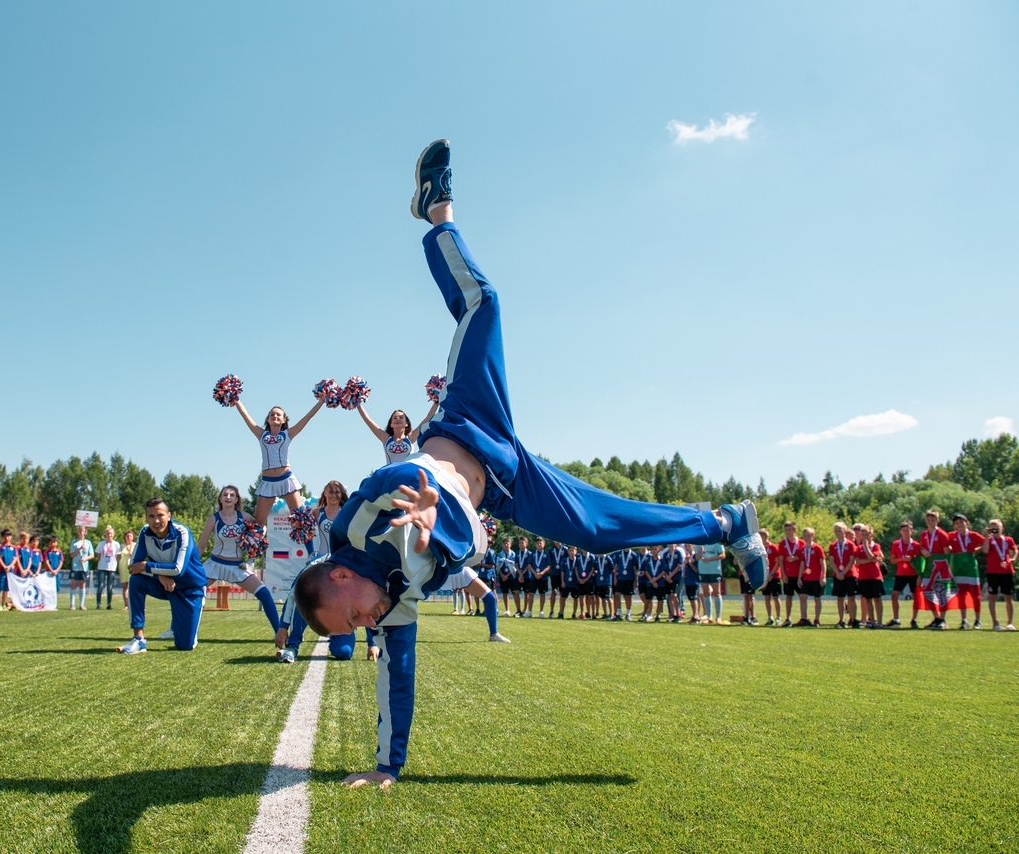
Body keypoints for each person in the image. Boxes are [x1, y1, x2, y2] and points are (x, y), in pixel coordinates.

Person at [292, 141, 764, 787]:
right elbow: (397, 674)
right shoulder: (392, 601)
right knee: (596, 533)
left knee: (485, 303)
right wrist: (386, 767)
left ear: (342, 578)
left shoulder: (353, 526)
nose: (366, 628)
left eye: (354, 619)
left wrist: (427, 495)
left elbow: (399, 480)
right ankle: (727, 521)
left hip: (466, 425)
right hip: (508, 487)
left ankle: (438, 211)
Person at [278, 481, 379, 663]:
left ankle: (340, 636)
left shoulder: (348, 513)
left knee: (344, 653)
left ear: (342, 495)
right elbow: (303, 527)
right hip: (322, 562)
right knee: (303, 591)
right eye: (330, 491)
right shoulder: (317, 513)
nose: (333, 494)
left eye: (337, 491)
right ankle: (293, 645)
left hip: (343, 562)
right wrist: (282, 627)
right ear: (324, 493)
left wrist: (372, 643)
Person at [119, 499, 207, 653]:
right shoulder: (144, 532)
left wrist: (148, 567)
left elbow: (177, 569)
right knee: (136, 581)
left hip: (189, 589)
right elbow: (134, 567)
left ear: (169, 515)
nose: (156, 520)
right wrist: (158, 576)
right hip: (163, 585)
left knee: (185, 646)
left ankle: (180, 626)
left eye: (160, 515)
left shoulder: (182, 532)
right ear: (146, 518)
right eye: (151, 516)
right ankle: (138, 639)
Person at [199, 485, 282, 640]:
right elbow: (202, 545)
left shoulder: (245, 517)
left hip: (237, 566)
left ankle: (279, 632)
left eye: (232, 495)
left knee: (264, 594)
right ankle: (175, 629)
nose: (228, 497)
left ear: (237, 499)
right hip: (214, 564)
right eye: (225, 494)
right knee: (191, 592)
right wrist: (193, 567)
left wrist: (257, 538)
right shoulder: (213, 519)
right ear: (220, 499)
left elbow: (260, 529)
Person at [232, 397, 325, 527]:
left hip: (286, 479)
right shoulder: (261, 434)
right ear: (268, 419)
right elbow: (245, 414)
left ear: (284, 420)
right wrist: (236, 399)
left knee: (300, 519)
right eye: (272, 414)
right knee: (258, 523)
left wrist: (321, 401)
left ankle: (311, 548)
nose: (274, 416)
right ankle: (258, 547)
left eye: (278, 414)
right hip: (268, 482)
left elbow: (307, 417)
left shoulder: (288, 434)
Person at [356, 401, 439, 465]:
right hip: (390, 474)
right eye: (395, 418)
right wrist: (358, 403)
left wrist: (436, 403)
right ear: (391, 424)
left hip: (407, 473)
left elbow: (428, 418)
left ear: (406, 423)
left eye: (401, 417)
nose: (397, 419)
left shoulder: (411, 438)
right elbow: (367, 419)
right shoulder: (386, 438)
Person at [947, 514, 984, 630]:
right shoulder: (951, 536)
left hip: (971, 568)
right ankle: (964, 620)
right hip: (958, 568)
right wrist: (951, 550)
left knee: (975, 595)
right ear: (954, 526)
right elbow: (944, 544)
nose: (959, 525)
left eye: (961, 522)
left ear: (967, 523)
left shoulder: (974, 535)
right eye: (957, 523)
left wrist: (976, 550)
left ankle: (978, 620)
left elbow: (986, 543)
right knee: (961, 595)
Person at [980, 519, 1015, 630]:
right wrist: (986, 536)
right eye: (992, 528)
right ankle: (995, 623)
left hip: (1007, 571)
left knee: (1008, 597)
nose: (994, 530)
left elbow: (1015, 550)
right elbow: (985, 550)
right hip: (993, 572)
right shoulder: (989, 540)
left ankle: (1009, 623)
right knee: (992, 597)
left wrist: (1012, 559)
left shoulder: (1008, 540)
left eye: (997, 528)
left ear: (1002, 528)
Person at [919, 510, 952, 628]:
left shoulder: (942, 534)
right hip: (929, 567)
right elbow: (921, 546)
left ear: (937, 521)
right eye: (928, 519)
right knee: (927, 592)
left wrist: (947, 569)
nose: (930, 522)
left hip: (941, 567)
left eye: (933, 519)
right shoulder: (923, 534)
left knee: (941, 593)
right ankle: (937, 617)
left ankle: (942, 620)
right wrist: (923, 551)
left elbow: (947, 552)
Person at [850, 524, 886, 628]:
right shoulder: (858, 548)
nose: (865, 536)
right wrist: (871, 560)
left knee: (877, 599)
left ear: (872, 535)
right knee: (868, 599)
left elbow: (873, 556)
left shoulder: (876, 546)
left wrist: (866, 548)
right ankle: (872, 622)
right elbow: (857, 562)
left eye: (867, 534)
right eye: (863, 534)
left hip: (875, 576)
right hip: (864, 577)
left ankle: (879, 621)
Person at [887, 521, 921, 628]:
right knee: (894, 595)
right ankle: (896, 619)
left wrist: (919, 574)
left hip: (913, 574)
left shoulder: (916, 545)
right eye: (904, 530)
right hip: (901, 573)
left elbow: (920, 562)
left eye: (908, 530)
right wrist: (903, 559)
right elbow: (892, 560)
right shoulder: (896, 544)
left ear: (912, 531)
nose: (906, 532)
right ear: (900, 532)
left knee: (916, 596)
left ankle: (914, 619)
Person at [829, 523, 857, 628]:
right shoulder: (833, 545)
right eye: (835, 531)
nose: (837, 533)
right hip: (838, 575)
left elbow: (851, 560)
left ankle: (853, 619)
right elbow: (832, 561)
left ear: (845, 531)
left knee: (851, 597)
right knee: (840, 598)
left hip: (849, 574)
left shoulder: (850, 545)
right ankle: (841, 620)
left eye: (839, 530)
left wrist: (843, 572)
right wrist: (837, 573)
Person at [778, 522, 806, 627]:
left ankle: (804, 617)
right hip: (788, 574)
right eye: (786, 530)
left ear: (795, 530)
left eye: (790, 530)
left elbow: (804, 558)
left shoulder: (801, 543)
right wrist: (783, 574)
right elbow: (780, 560)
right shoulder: (782, 543)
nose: (788, 532)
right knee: (788, 597)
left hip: (800, 575)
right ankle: (788, 618)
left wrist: (796, 558)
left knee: (802, 596)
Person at [799, 527, 825, 626]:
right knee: (803, 597)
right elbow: (802, 564)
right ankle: (804, 618)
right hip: (806, 578)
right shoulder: (803, 549)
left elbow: (823, 563)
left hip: (816, 577)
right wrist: (799, 578)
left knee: (817, 598)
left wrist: (823, 576)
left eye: (809, 535)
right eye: (804, 536)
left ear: (813, 536)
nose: (806, 538)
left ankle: (817, 619)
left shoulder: (818, 548)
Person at [696, 542, 725, 625]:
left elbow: (723, 555)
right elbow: (697, 558)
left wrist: (709, 559)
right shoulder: (699, 543)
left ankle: (718, 617)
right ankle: (709, 617)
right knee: (706, 593)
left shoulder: (717, 542)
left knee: (717, 592)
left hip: (715, 570)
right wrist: (700, 552)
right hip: (703, 570)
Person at [93, 526, 121, 610]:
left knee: (110, 586)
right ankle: (98, 603)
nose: (109, 535)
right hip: (102, 566)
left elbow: (118, 556)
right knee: (101, 585)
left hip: (112, 566)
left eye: (111, 534)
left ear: (114, 535)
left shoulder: (116, 544)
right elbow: (98, 555)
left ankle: (109, 603)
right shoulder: (101, 544)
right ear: (106, 534)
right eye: (108, 533)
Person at [69, 526, 93, 610]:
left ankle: (81, 604)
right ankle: (72, 604)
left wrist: (85, 559)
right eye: (80, 531)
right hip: (75, 566)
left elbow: (92, 555)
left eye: (82, 531)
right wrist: (79, 549)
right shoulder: (74, 542)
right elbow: (71, 555)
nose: (81, 532)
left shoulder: (88, 542)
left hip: (84, 567)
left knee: (82, 584)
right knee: (73, 584)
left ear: (85, 532)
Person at [495, 537, 520, 616]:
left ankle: (518, 610)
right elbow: (497, 566)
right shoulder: (500, 554)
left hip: (511, 576)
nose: (506, 545)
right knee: (505, 593)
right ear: (502, 545)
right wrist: (502, 575)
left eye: (507, 543)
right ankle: (507, 610)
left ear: (510, 545)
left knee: (514, 593)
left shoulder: (513, 554)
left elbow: (514, 566)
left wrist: (507, 575)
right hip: (502, 576)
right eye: (504, 543)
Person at [611, 548, 637, 621]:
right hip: (620, 578)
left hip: (629, 578)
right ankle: (619, 613)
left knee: (628, 596)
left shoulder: (633, 555)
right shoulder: (618, 553)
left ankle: (628, 613)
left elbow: (635, 568)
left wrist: (635, 580)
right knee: (616, 595)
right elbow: (616, 566)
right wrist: (615, 577)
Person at [116, 530, 134, 610]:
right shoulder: (121, 546)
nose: (129, 537)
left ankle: (134, 604)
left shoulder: (136, 545)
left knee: (134, 586)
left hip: (133, 567)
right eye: (127, 536)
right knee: (125, 586)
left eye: (130, 536)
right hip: (123, 567)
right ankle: (126, 604)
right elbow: (118, 556)